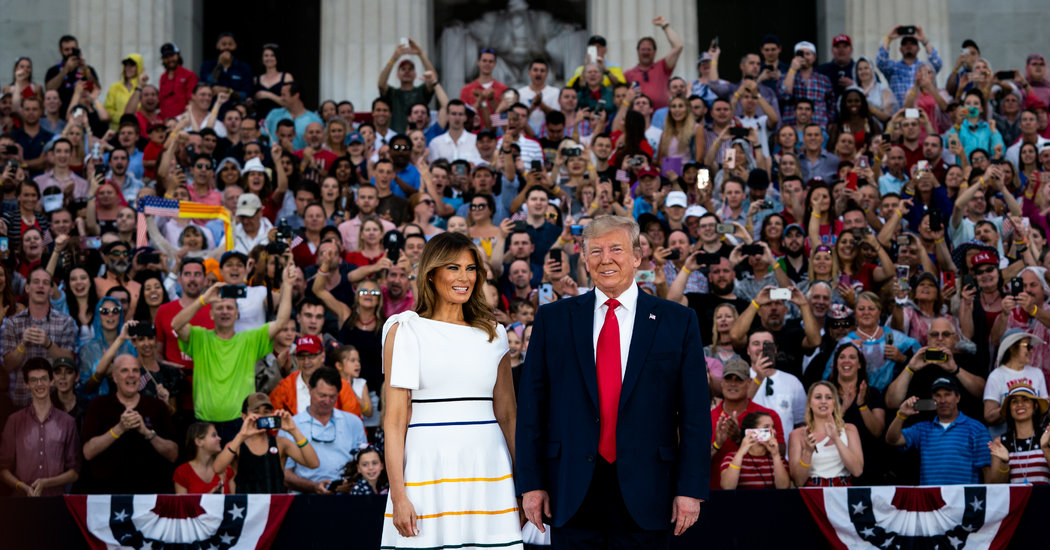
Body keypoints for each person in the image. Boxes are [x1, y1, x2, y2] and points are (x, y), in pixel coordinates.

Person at [518, 216, 709, 546]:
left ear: (636, 257)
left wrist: (690, 489)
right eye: (595, 251)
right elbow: (532, 409)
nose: (605, 259)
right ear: (585, 260)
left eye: (616, 249)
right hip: (570, 489)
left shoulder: (677, 321)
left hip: (650, 492)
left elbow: (694, 415)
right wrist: (531, 484)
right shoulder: (554, 319)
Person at [381, 232, 519, 547]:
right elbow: (395, 420)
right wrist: (399, 495)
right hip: (426, 469)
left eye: (471, 269)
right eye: (453, 268)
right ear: (431, 273)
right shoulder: (406, 330)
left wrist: (524, 484)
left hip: (490, 469)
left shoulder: (495, 334)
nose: (464, 277)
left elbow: (508, 415)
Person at [172, 261, 297, 442]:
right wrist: (203, 300)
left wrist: (287, 284)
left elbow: (281, 321)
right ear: (211, 314)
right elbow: (176, 325)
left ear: (237, 313)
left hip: (241, 423)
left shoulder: (249, 339)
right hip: (205, 423)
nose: (225, 311)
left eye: (230, 308)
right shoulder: (199, 337)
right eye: (219, 308)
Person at [81, 354, 179, 493]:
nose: (131, 375)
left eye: (135, 370)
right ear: (115, 377)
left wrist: (147, 433)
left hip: (150, 495)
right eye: (124, 370)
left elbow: (173, 454)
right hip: (109, 496)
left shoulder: (157, 406)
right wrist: (119, 429)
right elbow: (88, 452)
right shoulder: (99, 405)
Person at [886, 378, 993, 485]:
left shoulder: (977, 428)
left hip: (962, 499)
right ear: (932, 399)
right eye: (937, 395)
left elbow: (987, 471)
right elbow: (892, 440)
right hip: (931, 499)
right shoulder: (922, 429)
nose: (942, 400)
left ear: (958, 397)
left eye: (947, 394)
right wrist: (901, 415)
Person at [0, 358, 80, 496]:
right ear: (26, 384)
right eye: (33, 380)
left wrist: (46, 483)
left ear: (52, 381)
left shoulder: (68, 422)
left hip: (56, 503)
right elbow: (3, 468)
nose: (39, 384)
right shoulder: (14, 421)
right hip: (22, 502)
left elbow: (74, 472)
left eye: (43, 378)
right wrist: (22, 487)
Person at [282, 367, 367, 494]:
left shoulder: (354, 422)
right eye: (322, 395)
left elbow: (365, 463)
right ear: (310, 389)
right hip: (303, 499)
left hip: (346, 497)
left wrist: (348, 483)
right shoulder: (290, 425)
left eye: (332, 396)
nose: (327, 401)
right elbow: (284, 473)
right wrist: (313, 486)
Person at [211, 393, 319, 494]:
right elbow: (217, 468)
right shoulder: (237, 445)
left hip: (275, 509)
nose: (262, 416)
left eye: (266, 412)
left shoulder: (281, 443)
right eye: (256, 412)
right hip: (247, 509)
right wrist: (241, 435)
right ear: (244, 416)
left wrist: (294, 430)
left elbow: (313, 463)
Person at [1, 268, 76, 408]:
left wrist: (48, 344)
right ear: (27, 288)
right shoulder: (13, 322)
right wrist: (23, 345)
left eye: (46, 283)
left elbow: (68, 361)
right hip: (21, 402)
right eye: (36, 282)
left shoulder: (66, 321)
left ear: (51, 290)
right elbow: (8, 366)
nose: (41, 286)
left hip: (55, 403)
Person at [788, 381, 864, 486]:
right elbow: (798, 481)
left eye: (828, 397)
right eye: (818, 397)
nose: (823, 401)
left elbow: (857, 471)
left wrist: (836, 438)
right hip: (812, 495)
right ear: (810, 403)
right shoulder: (797, 435)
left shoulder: (850, 430)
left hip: (842, 492)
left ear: (834, 403)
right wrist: (808, 452)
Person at [987, 382, 1050, 485]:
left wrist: (1046, 449)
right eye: (1014, 401)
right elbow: (996, 486)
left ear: (1035, 406)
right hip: (1016, 501)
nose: (1020, 405)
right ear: (1010, 409)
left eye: (1025, 400)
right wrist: (1004, 463)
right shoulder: (1000, 442)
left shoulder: (1047, 437)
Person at [984, 329, 1048, 426]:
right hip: (1005, 438)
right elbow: (989, 416)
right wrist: (1013, 406)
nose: (1031, 350)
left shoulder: (1037, 373)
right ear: (1012, 347)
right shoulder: (996, 376)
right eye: (1027, 346)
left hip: (1034, 438)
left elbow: (1045, 411)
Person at [719, 411, 789, 490]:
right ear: (751, 432)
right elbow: (727, 486)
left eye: (773, 427)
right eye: (766, 427)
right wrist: (741, 452)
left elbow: (783, 487)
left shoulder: (779, 460)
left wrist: (776, 456)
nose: (773, 432)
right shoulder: (731, 458)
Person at [173, 422, 235, 494]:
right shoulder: (182, 472)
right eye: (214, 435)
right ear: (199, 441)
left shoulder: (226, 469)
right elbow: (183, 504)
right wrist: (208, 497)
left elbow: (234, 501)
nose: (219, 438)